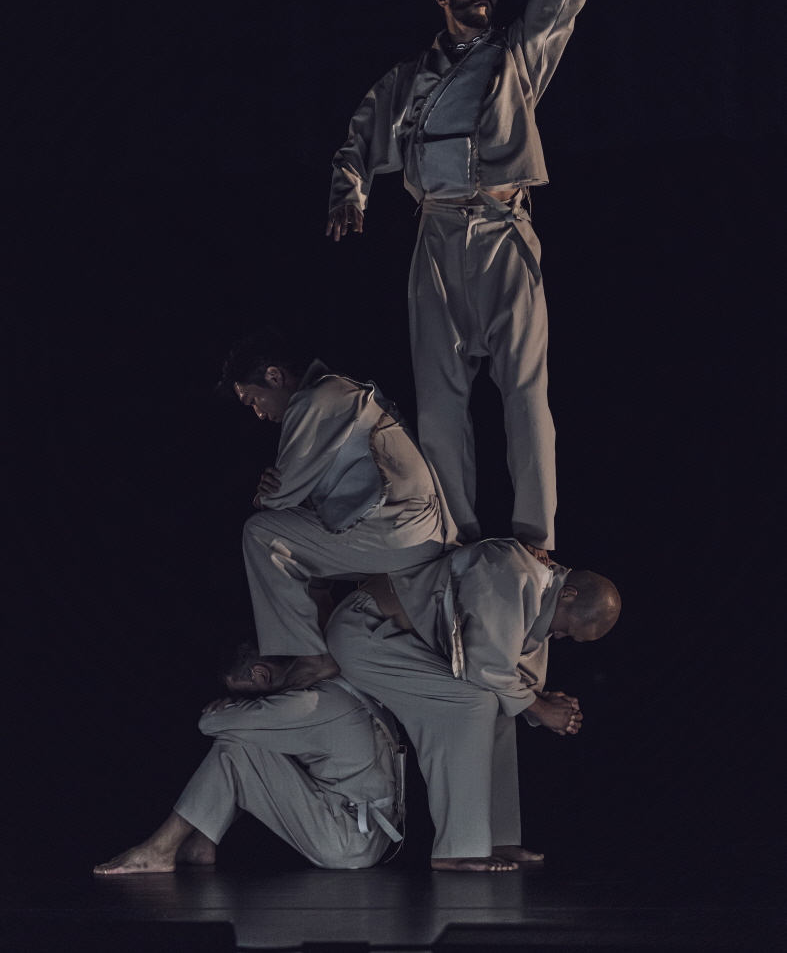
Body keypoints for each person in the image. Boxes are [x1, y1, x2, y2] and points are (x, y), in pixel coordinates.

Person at [326, 0, 650, 556]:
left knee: (525, 392)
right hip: (436, 238)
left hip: (502, 229)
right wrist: (350, 193)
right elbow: (359, 138)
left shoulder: (515, 57)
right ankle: (455, 539)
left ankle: (537, 539)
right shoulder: (407, 79)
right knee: (440, 403)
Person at [326, 541, 620, 870]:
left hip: (402, 644)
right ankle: (457, 848)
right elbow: (486, 667)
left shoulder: (543, 596)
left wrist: (542, 701)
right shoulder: (512, 570)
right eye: (566, 629)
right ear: (569, 594)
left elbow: (510, 675)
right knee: (471, 703)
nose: (561, 636)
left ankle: (497, 839)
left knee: (497, 707)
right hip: (365, 631)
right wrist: (541, 709)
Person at [219, 331, 447, 685]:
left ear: (274, 376)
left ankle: (312, 658)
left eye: (254, 400)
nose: (259, 414)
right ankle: (320, 640)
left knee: (260, 533)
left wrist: (267, 495)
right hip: (408, 531)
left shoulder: (316, 399)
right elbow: (295, 491)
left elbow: (279, 496)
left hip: (402, 532)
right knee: (301, 554)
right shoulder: (336, 391)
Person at [94, 646, 402, 875]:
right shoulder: (342, 686)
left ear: (260, 674)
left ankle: (160, 850)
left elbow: (209, 724)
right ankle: (201, 842)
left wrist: (235, 707)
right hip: (368, 831)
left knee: (234, 747)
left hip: (347, 842)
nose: (243, 699)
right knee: (251, 745)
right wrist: (246, 707)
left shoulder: (311, 703)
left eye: (243, 692)